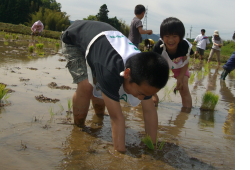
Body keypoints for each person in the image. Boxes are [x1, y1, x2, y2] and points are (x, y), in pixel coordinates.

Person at [61, 20, 170, 152]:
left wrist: (151, 146)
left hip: (101, 46)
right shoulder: (111, 70)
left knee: (101, 91)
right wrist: (120, 154)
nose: (142, 98)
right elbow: (117, 118)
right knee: (87, 86)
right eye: (140, 93)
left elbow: (149, 111)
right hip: (75, 40)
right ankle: (79, 128)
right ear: (127, 74)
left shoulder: (145, 74)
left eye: (146, 95)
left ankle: (98, 119)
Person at [152, 17, 193, 113]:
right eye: (167, 36)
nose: (171, 40)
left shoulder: (185, 46)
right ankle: (153, 99)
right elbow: (154, 66)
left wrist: (180, 77)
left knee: (184, 87)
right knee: (151, 84)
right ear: (162, 36)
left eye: (175, 36)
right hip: (162, 63)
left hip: (180, 65)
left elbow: (186, 62)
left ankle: (186, 113)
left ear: (181, 36)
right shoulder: (159, 47)